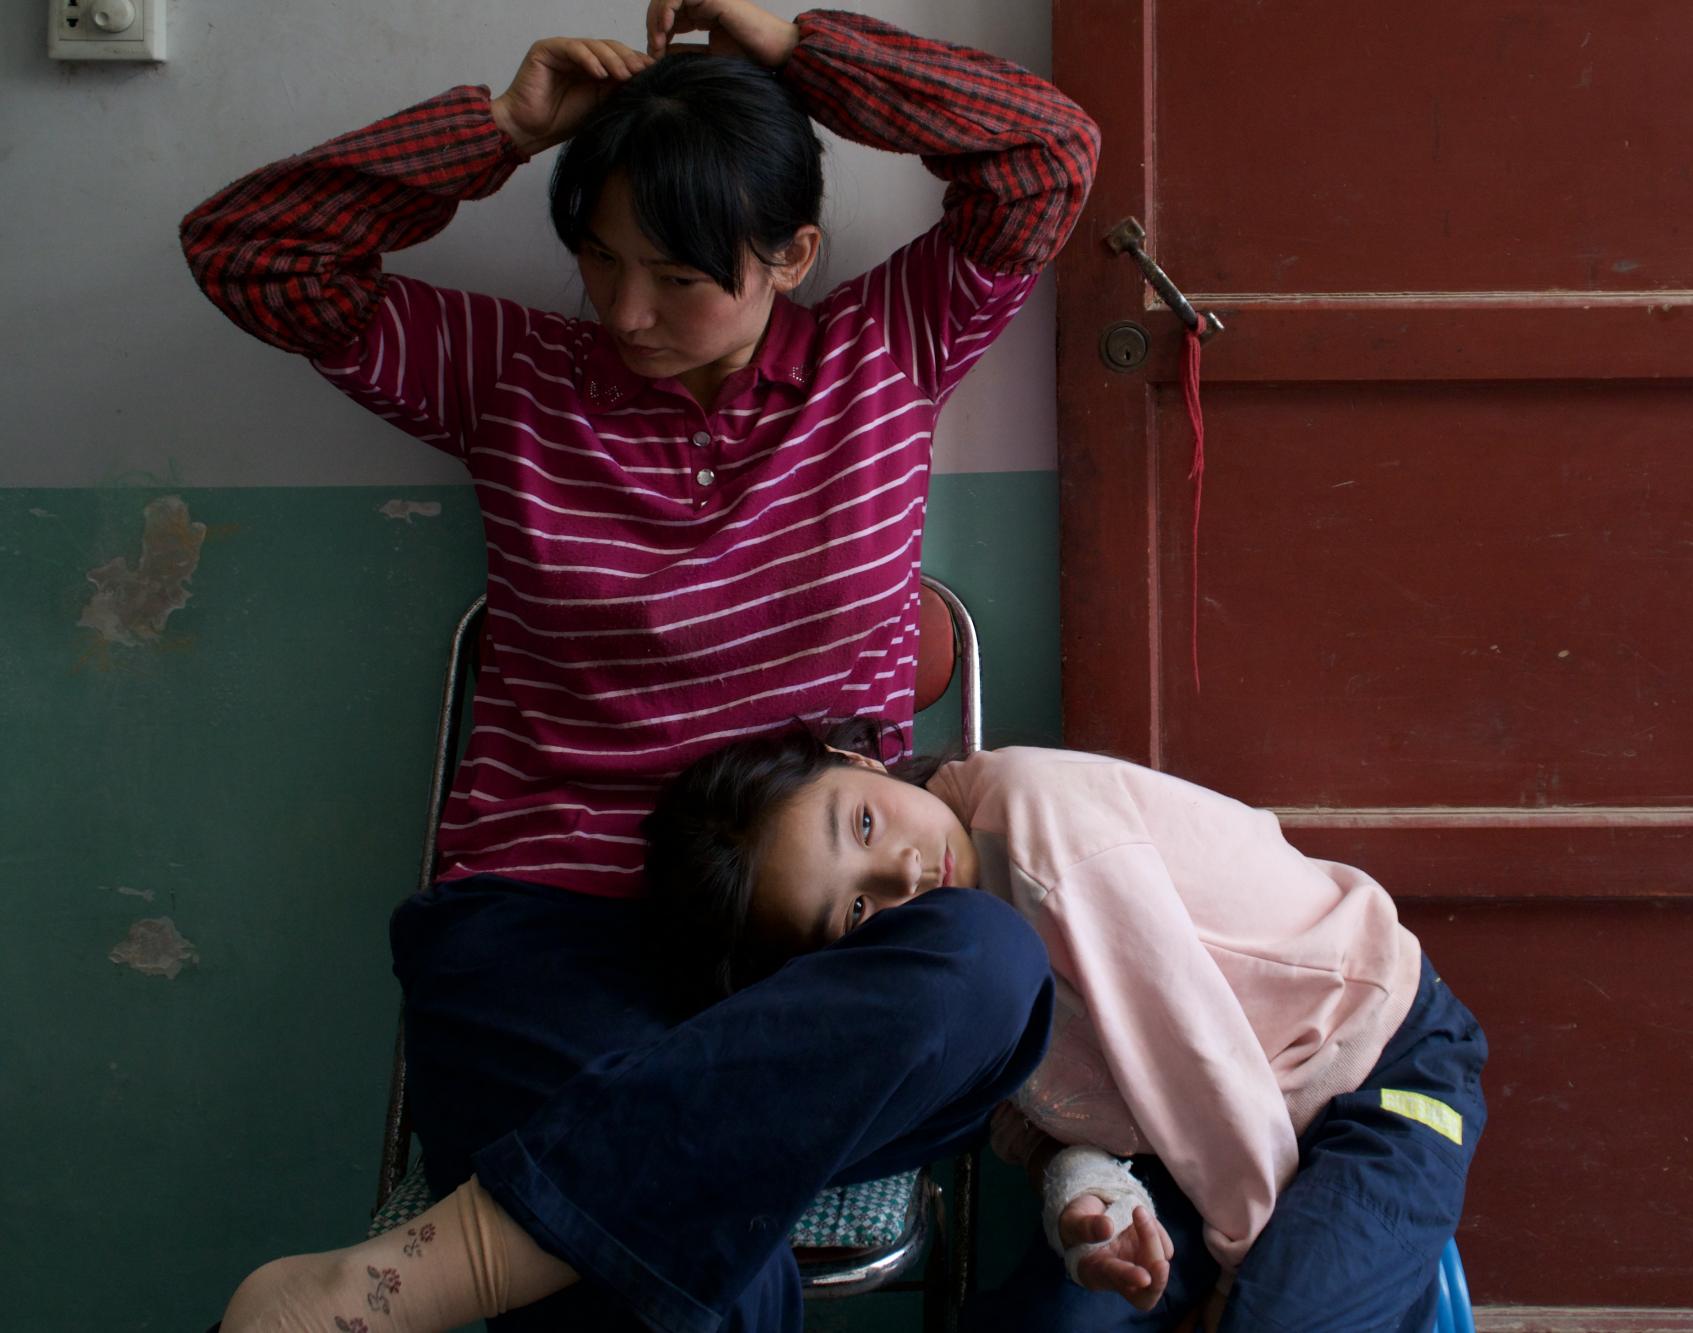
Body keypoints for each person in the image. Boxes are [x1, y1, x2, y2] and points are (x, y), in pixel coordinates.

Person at [180, 1, 1098, 1329]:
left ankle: (445, 1266)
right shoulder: (512, 376)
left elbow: (1044, 155)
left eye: (676, 277)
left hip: (816, 959)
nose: (625, 312)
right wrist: (496, 131)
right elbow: (251, 252)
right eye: (598, 260)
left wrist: (798, 50)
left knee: (987, 966)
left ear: (792, 254)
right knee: (708, 1275)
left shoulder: (884, 352)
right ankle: (580, 1208)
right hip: (546, 930)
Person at [646, 719, 1490, 1333]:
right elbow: (1038, 1106)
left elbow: (1199, 1063)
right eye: (857, 909)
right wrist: (1092, 1197)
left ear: (856, 759)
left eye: (864, 822)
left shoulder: (1035, 831)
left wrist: (1235, 1284)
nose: (903, 871)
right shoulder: (923, 969)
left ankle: (1364, 1279)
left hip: (1379, 1067)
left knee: (1277, 1319)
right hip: (1198, 1145)